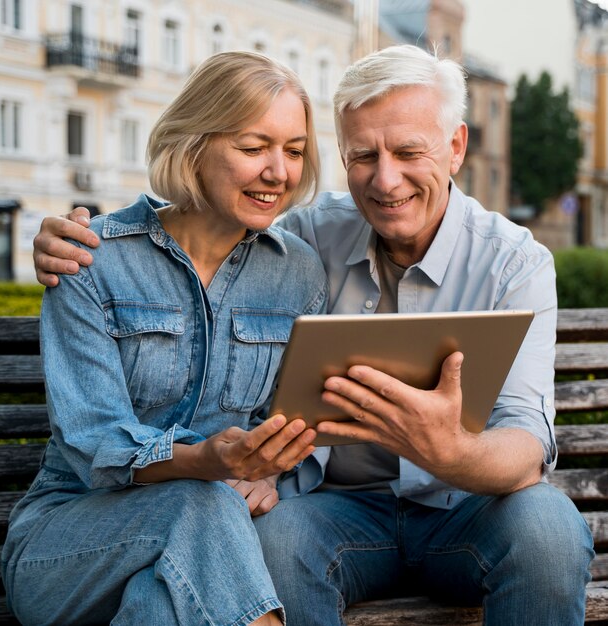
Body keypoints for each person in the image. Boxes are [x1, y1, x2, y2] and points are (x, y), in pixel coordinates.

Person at [31, 45, 594, 626]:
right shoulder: (302, 241)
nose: (385, 179)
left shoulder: (513, 263)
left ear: (455, 147)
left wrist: (448, 449)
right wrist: (71, 238)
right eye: (362, 155)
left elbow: (527, 443)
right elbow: (201, 223)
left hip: (466, 512)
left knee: (548, 530)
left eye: (407, 152)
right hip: (332, 513)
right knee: (268, 544)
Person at [1, 51, 329, 626]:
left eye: (294, 151)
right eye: (254, 148)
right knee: (199, 502)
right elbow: (92, 444)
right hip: (68, 544)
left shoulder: (297, 272)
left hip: (207, 548)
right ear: (194, 144)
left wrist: (270, 469)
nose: (279, 171)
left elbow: (295, 417)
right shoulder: (91, 257)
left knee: (160, 605)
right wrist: (205, 462)